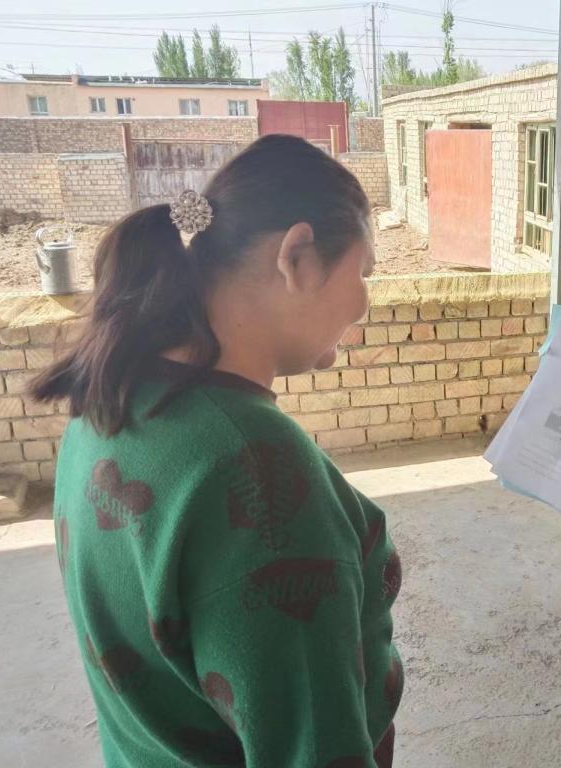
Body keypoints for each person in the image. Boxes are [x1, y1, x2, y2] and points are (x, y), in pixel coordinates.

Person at [31, 135, 402, 768]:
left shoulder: (106, 396)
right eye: (363, 272)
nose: (365, 303)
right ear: (297, 257)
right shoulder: (252, 468)